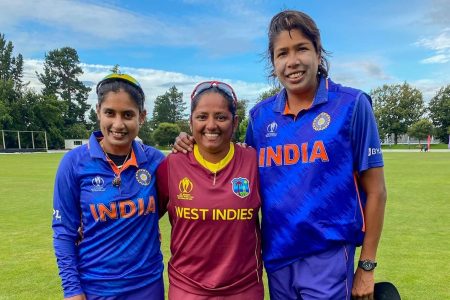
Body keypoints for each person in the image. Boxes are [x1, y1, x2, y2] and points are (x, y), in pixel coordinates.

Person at [173, 10, 387, 300]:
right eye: (282, 53)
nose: (292, 61)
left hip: (328, 256)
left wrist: (367, 266)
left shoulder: (352, 105)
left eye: (301, 49)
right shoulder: (260, 117)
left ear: (318, 52)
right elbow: (235, 167)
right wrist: (188, 143)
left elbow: (376, 192)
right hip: (276, 258)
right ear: (273, 63)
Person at [52, 73, 165, 300]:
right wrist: (72, 289)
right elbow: (64, 232)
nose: (118, 124)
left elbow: (166, 204)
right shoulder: (74, 163)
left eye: (128, 115)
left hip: (148, 285)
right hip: (96, 287)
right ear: (98, 112)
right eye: (110, 113)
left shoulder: (156, 161)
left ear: (141, 117)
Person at [157, 81, 264, 299]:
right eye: (202, 116)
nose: (211, 125)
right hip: (187, 288)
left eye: (221, 117)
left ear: (234, 123)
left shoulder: (253, 161)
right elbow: (144, 216)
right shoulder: (172, 165)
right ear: (191, 122)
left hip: (243, 288)